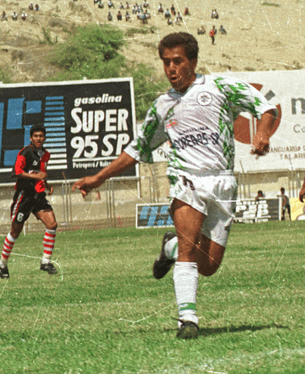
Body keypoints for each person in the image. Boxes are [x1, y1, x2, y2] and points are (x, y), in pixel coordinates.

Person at [73, 32, 276, 339]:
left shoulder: (220, 87)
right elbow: (137, 149)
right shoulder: (162, 106)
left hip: (222, 182)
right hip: (186, 181)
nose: (171, 68)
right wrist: (99, 177)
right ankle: (188, 320)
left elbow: (267, 108)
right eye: (166, 62)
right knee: (189, 248)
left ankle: (169, 246)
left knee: (207, 265)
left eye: (177, 61)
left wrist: (263, 133)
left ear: (192, 61)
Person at [0, 125, 59, 279]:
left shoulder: (45, 155)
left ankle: (45, 262)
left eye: (41, 136)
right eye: (36, 136)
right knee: (15, 232)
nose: (39, 138)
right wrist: (35, 177)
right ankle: (2, 264)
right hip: (24, 196)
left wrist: (46, 184)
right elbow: (16, 172)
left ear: (45, 138)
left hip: (38, 196)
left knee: (52, 224)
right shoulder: (25, 153)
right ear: (31, 138)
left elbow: (42, 173)